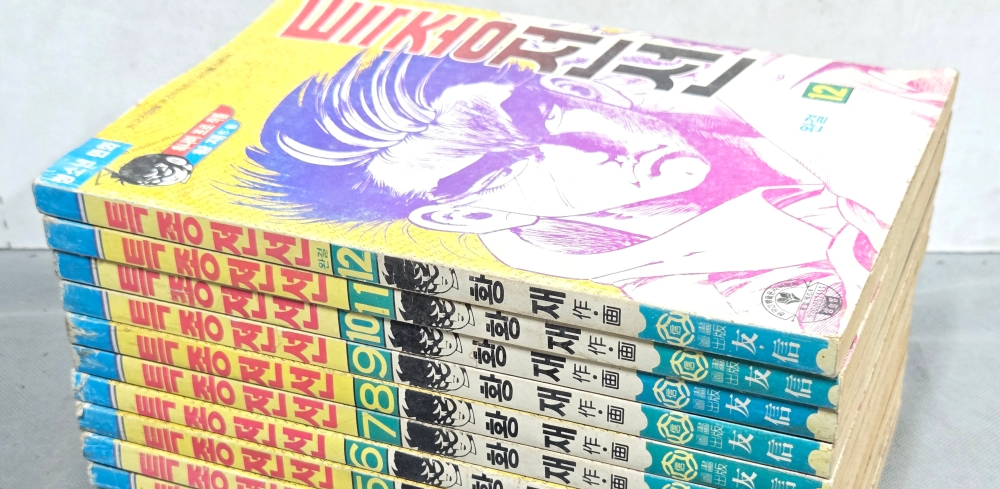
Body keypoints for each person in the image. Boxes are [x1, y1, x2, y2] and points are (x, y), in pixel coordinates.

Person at [242, 50, 948, 332]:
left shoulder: (790, 90)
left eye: (538, 115)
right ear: (471, 211)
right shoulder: (678, 293)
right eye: (498, 170)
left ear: (577, 88)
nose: (592, 155)